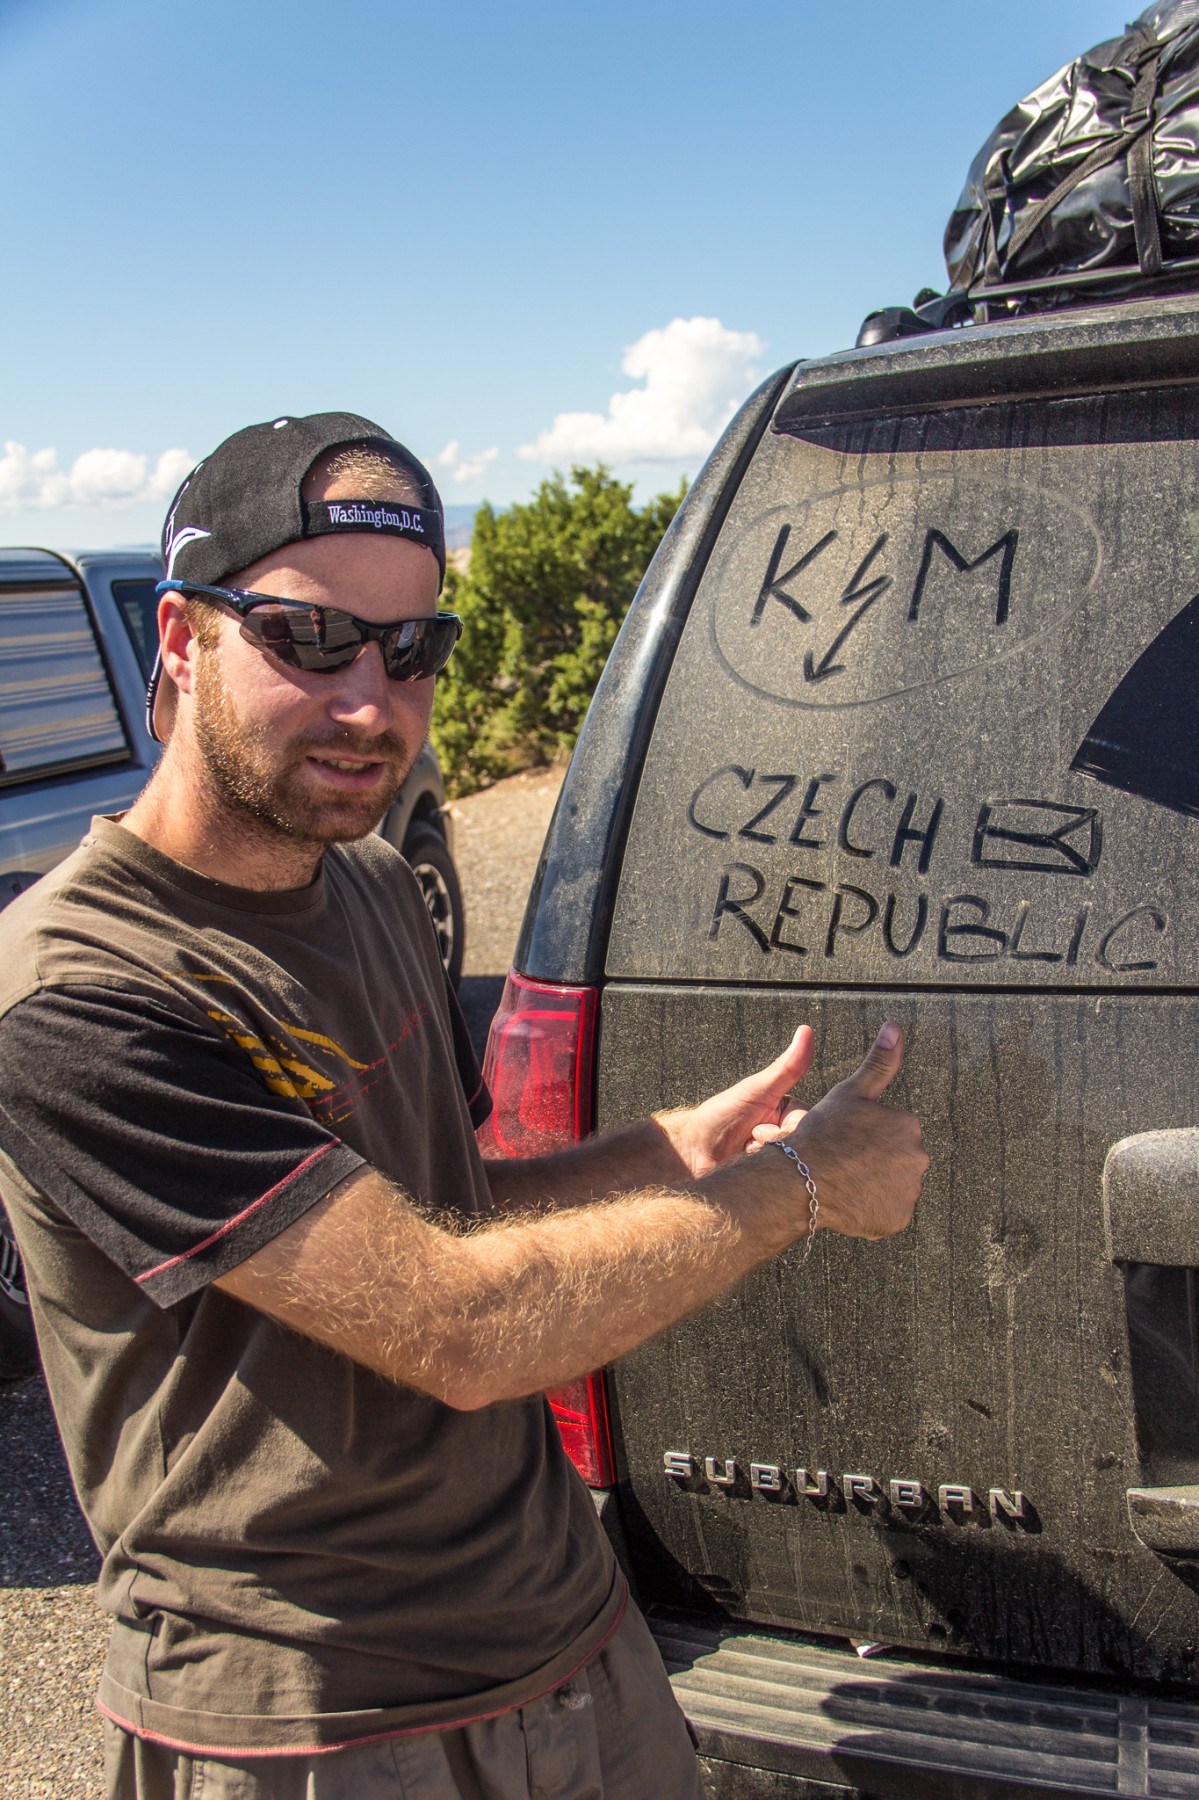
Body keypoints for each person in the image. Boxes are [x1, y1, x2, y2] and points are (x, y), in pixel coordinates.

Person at [0, 413, 928, 1800]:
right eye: (308, 639)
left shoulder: (373, 883)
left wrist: (670, 1154)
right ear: (181, 641)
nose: (369, 702)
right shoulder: (79, 992)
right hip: (316, 1722)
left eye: (411, 648)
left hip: (571, 1635)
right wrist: (795, 1191)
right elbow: (456, 1324)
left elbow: (445, 1211)